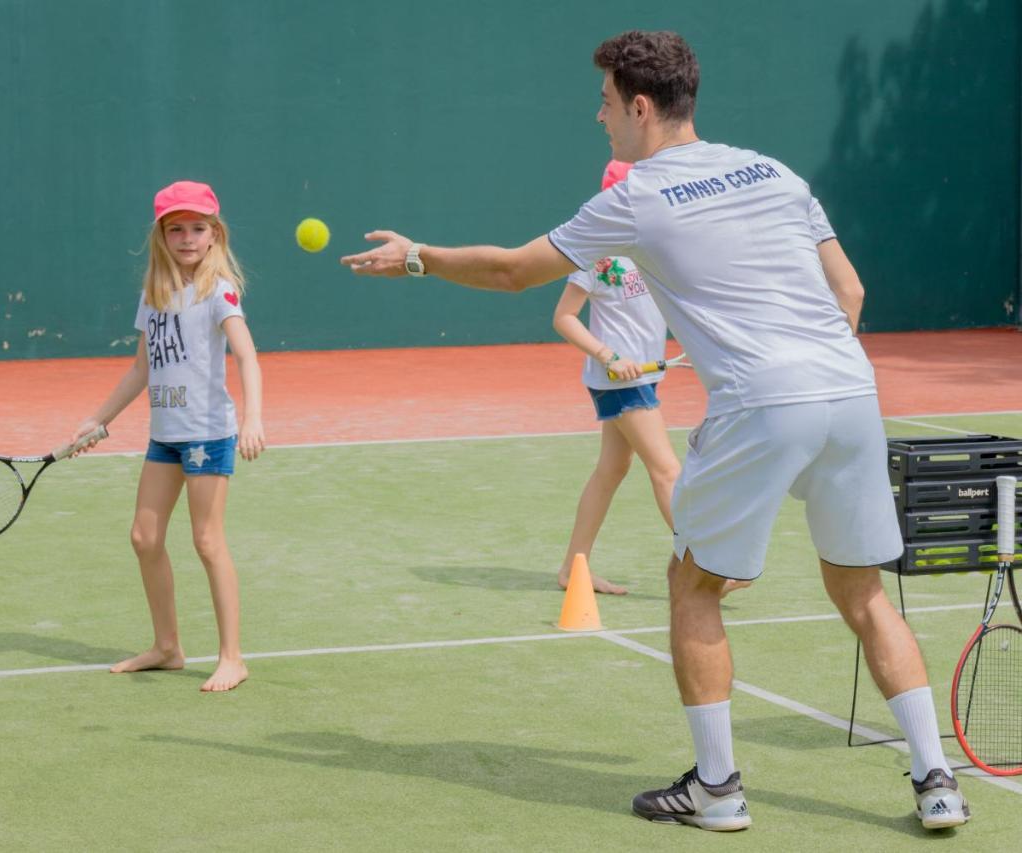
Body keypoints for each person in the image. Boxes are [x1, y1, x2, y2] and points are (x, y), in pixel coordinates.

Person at [341, 30, 966, 832]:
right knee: (864, 593)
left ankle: (717, 789)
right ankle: (935, 778)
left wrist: (418, 257)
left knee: (693, 584)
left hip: (759, 403)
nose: (598, 117)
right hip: (850, 389)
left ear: (640, 106)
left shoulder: (635, 194)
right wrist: (807, 372)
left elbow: (509, 272)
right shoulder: (777, 172)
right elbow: (849, 288)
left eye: (604, 103)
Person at [73, 180, 264, 693]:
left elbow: (246, 355)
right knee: (144, 538)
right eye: (176, 229)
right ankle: (168, 647)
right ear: (161, 236)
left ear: (214, 234)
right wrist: (100, 418)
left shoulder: (219, 290)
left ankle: (232, 657)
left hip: (208, 434)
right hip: (166, 436)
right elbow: (141, 369)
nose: (187, 238)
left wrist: (252, 419)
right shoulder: (153, 296)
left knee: (206, 540)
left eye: (197, 228)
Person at [553, 159, 678, 596]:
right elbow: (564, 317)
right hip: (619, 380)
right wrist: (609, 355)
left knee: (612, 469)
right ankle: (708, 567)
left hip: (644, 375)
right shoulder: (596, 253)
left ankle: (572, 568)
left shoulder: (653, 248)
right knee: (666, 470)